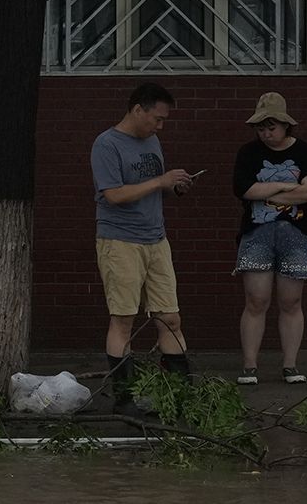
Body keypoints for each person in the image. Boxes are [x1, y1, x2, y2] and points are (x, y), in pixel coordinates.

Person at [92, 82, 196, 396]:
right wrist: (159, 182)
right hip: (120, 241)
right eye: (157, 119)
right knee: (123, 318)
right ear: (138, 110)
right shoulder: (106, 144)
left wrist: (174, 185)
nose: (160, 126)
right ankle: (125, 396)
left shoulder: (152, 142)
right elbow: (113, 194)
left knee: (170, 317)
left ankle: (179, 394)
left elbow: (153, 184)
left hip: (156, 238)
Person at [231, 92, 307, 385]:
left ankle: (290, 365)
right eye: (261, 128)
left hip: (295, 232)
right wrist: (286, 186)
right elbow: (245, 190)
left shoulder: (306, 152)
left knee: (291, 301)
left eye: (271, 127)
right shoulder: (248, 153)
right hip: (256, 232)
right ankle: (249, 365)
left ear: (285, 125)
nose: (266, 134)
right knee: (256, 299)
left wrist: (267, 189)